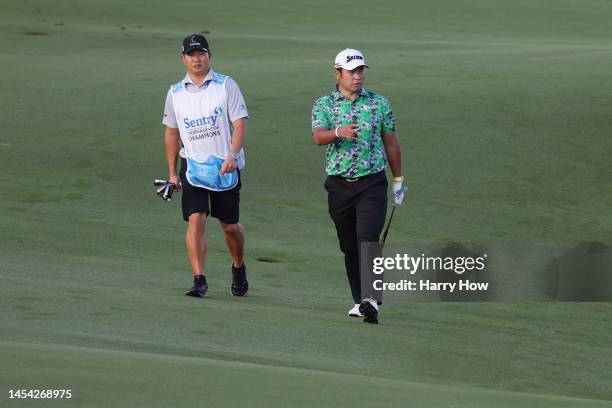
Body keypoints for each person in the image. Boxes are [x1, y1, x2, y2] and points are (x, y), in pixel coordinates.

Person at [311, 48, 405, 324]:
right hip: (339, 186)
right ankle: (359, 300)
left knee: (368, 239)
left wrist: (398, 180)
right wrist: (338, 132)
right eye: (351, 71)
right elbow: (318, 137)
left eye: (360, 70)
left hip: (372, 183)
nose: (357, 76)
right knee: (349, 245)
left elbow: (390, 141)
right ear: (337, 73)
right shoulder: (324, 105)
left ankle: (372, 299)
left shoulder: (378, 103)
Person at [162, 33, 250, 298]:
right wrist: (171, 172)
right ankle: (199, 279)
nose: (196, 58)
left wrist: (233, 155)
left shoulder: (225, 85)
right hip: (193, 167)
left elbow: (240, 122)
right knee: (196, 219)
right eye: (191, 54)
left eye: (201, 53)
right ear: (183, 59)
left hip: (225, 167)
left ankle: (238, 266)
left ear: (209, 56)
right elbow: (171, 132)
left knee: (229, 226)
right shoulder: (175, 93)